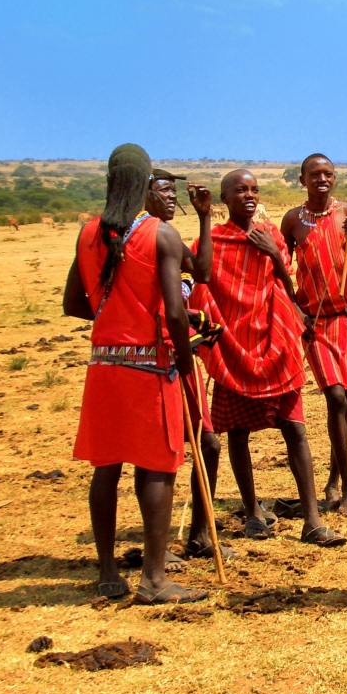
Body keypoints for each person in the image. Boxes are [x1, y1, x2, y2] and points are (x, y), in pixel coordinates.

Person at [62, 144, 206, 605]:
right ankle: (154, 579)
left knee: (106, 470)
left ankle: (107, 573)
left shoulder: (88, 233)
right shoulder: (160, 235)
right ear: (145, 181)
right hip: (149, 365)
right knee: (157, 469)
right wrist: (183, 359)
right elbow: (178, 314)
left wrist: (115, 321)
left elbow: (72, 304)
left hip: (104, 366)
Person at [187, 169, 345, 547]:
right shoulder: (212, 240)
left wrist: (275, 252)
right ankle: (252, 512)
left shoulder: (271, 234)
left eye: (254, 189)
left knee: (295, 428)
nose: (249, 195)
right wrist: (203, 217)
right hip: (232, 346)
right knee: (237, 434)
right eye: (240, 190)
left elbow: (284, 283)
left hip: (275, 342)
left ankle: (312, 520)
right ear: (224, 199)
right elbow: (202, 283)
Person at [142, 169, 234, 560]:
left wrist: (203, 217)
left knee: (207, 444)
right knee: (165, 454)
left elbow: (204, 274)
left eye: (172, 192)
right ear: (142, 194)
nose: (169, 197)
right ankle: (162, 552)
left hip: (182, 352)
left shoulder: (170, 237)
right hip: (161, 357)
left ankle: (199, 533)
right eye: (162, 191)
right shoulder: (147, 238)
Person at [281, 154, 347, 516]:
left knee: (344, 402)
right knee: (334, 397)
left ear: (334, 178)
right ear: (302, 179)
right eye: (314, 174)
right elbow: (279, 271)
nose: (322, 179)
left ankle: (335, 478)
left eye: (328, 174)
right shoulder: (292, 221)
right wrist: (295, 310)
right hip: (313, 323)